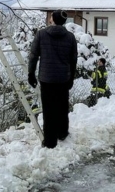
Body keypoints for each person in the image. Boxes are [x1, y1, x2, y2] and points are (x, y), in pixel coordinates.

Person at [27, 10, 78, 148]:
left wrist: (31, 73)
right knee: (62, 106)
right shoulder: (70, 37)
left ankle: (50, 141)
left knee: (49, 109)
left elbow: (33, 55)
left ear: (53, 19)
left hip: (47, 78)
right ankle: (62, 133)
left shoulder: (41, 34)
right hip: (63, 78)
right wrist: (71, 77)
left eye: (50, 17)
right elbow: (73, 59)